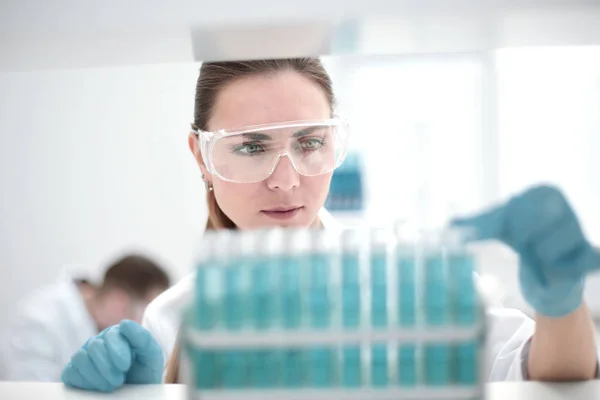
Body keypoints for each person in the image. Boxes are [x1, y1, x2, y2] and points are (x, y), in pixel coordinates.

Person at [61, 58, 599, 393]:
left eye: (310, 143)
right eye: (251, 147)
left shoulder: (399, 283)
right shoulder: (171, 321)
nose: (287, 181)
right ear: (201, 157)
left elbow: (549, 373)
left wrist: (560, 299)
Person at [0, 254, 171, 382]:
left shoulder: (103, 328)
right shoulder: (38, 320)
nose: (151, 322)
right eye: (150, 311)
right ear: (120, 303)